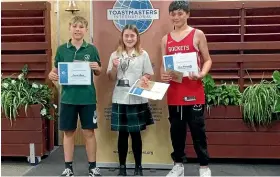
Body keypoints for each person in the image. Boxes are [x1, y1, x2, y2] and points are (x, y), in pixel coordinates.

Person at [160, 1, 212, 177]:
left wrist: (202, 74)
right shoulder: (165, 39)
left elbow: (208, 60)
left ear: (188, 14)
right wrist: (164, 75)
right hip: (174, 93)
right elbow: (163, 65)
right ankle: (178, 166)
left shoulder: (198, 34)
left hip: (194, 92)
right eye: (173, 14)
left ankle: (204, 167)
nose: (176, 17)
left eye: (180, 13)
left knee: (198, 132)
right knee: (177, 132)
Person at [48, 16, 102, 177]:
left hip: (87, 98)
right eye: (75, 26)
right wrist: (52, 74)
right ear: (70, 28)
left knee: (89, 133)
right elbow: (55, 71)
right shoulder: (61, 49)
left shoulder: (91, 49)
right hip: (68, 98)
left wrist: (97, 67)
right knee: (68, 133)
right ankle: (68, 168)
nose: (78, 29)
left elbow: (98, 71)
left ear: (86, 30)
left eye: (81, 27)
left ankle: (92, 167)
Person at [107, 24, 154, 176]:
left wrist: (144, 78)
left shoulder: (143, 54)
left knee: (136, 134)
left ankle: (138, 167)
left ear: (137, 37)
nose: (129, 38)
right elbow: (110, 78)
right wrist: (114, 68)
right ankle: (122, 167)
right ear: (122, 37)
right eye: (126, 35)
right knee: (122, 134)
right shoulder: (115, 55)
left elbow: (148, 74)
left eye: (132, 36)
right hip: (120, 98)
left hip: (137, 98)